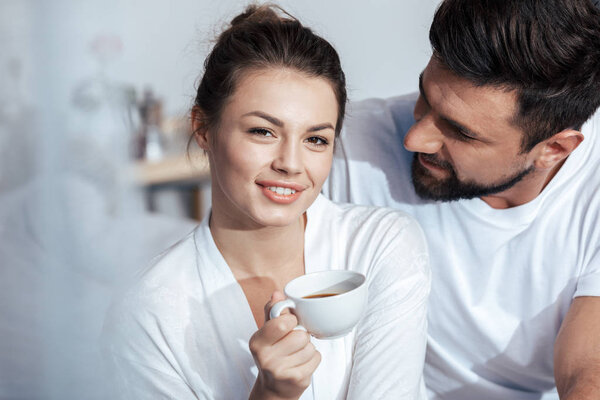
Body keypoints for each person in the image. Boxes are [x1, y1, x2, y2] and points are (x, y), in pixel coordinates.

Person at [101, 5, 430, 400]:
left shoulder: (380, 245)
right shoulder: (149, 313)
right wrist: (271, 395)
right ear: (203, 129)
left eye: (316, 139)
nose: (290, 164)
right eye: (263, 131)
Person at [324, 0, 600, 398]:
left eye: (460, 132)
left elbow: (587, 374)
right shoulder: (344, 148)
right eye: (424, 98)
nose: (414, 138)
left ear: (554, 149)